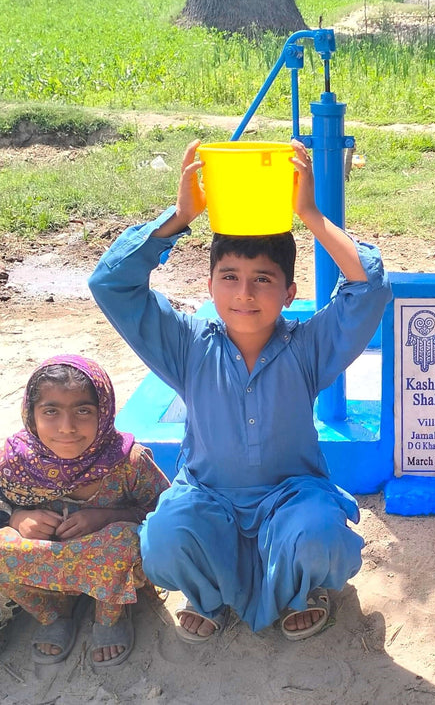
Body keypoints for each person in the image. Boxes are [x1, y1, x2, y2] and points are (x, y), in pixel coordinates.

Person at [88, 139, 392, 643]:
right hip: (208, 498)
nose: (244, 293)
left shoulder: (308, 348)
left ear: (290, 292)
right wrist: (181, 216)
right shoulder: (186, 345)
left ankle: (297, 591)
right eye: (229, 276)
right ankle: (206, 595)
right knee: (163, 539)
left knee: (322, 536)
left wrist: (311, 214)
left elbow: (370, 287)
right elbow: (112, 284)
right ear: (209, 285)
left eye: (263, 279)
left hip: (291, 498)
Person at [0, 355, 170, 668]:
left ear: (103, 412)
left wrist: (105, 518)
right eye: (51, 411)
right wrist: (16, 518)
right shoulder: (13, 462)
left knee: (122, 539)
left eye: (83, 410)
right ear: (31, 414)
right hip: (46, 563)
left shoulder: (128, 462)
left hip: (107, 565)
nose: (67, 427)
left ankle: (109, 617)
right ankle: (52, 613)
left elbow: (166, 510)